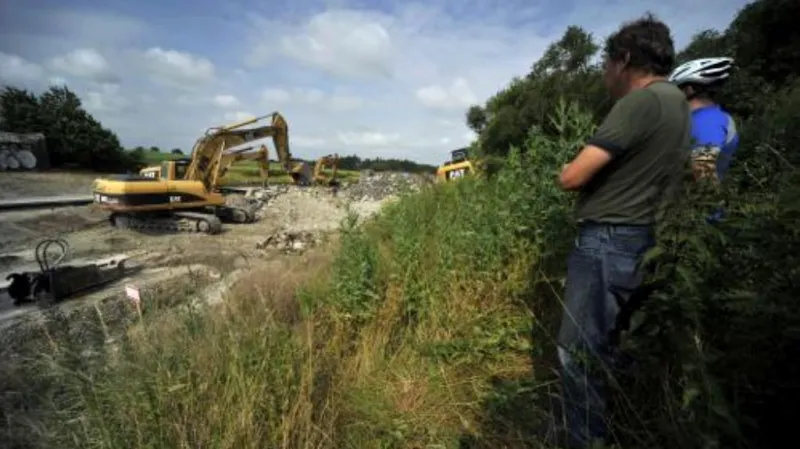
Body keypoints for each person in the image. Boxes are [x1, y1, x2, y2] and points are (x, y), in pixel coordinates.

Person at [555, 14, 691, 448]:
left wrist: (566, 169)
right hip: (643, 240)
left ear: (624, 59)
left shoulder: (639, 102)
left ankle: (586, 439)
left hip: (608, 240)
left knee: (577, 353)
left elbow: (574, 176)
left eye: (605, 64)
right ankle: (614, 426)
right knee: (612, 347)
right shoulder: (678, 103)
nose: (603, 74)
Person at [668, 57, 739, 223]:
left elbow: (703, 169)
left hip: (693, 221)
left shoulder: (706, 122)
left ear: (689, 90)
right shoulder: (713, 118)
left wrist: (709, 219)